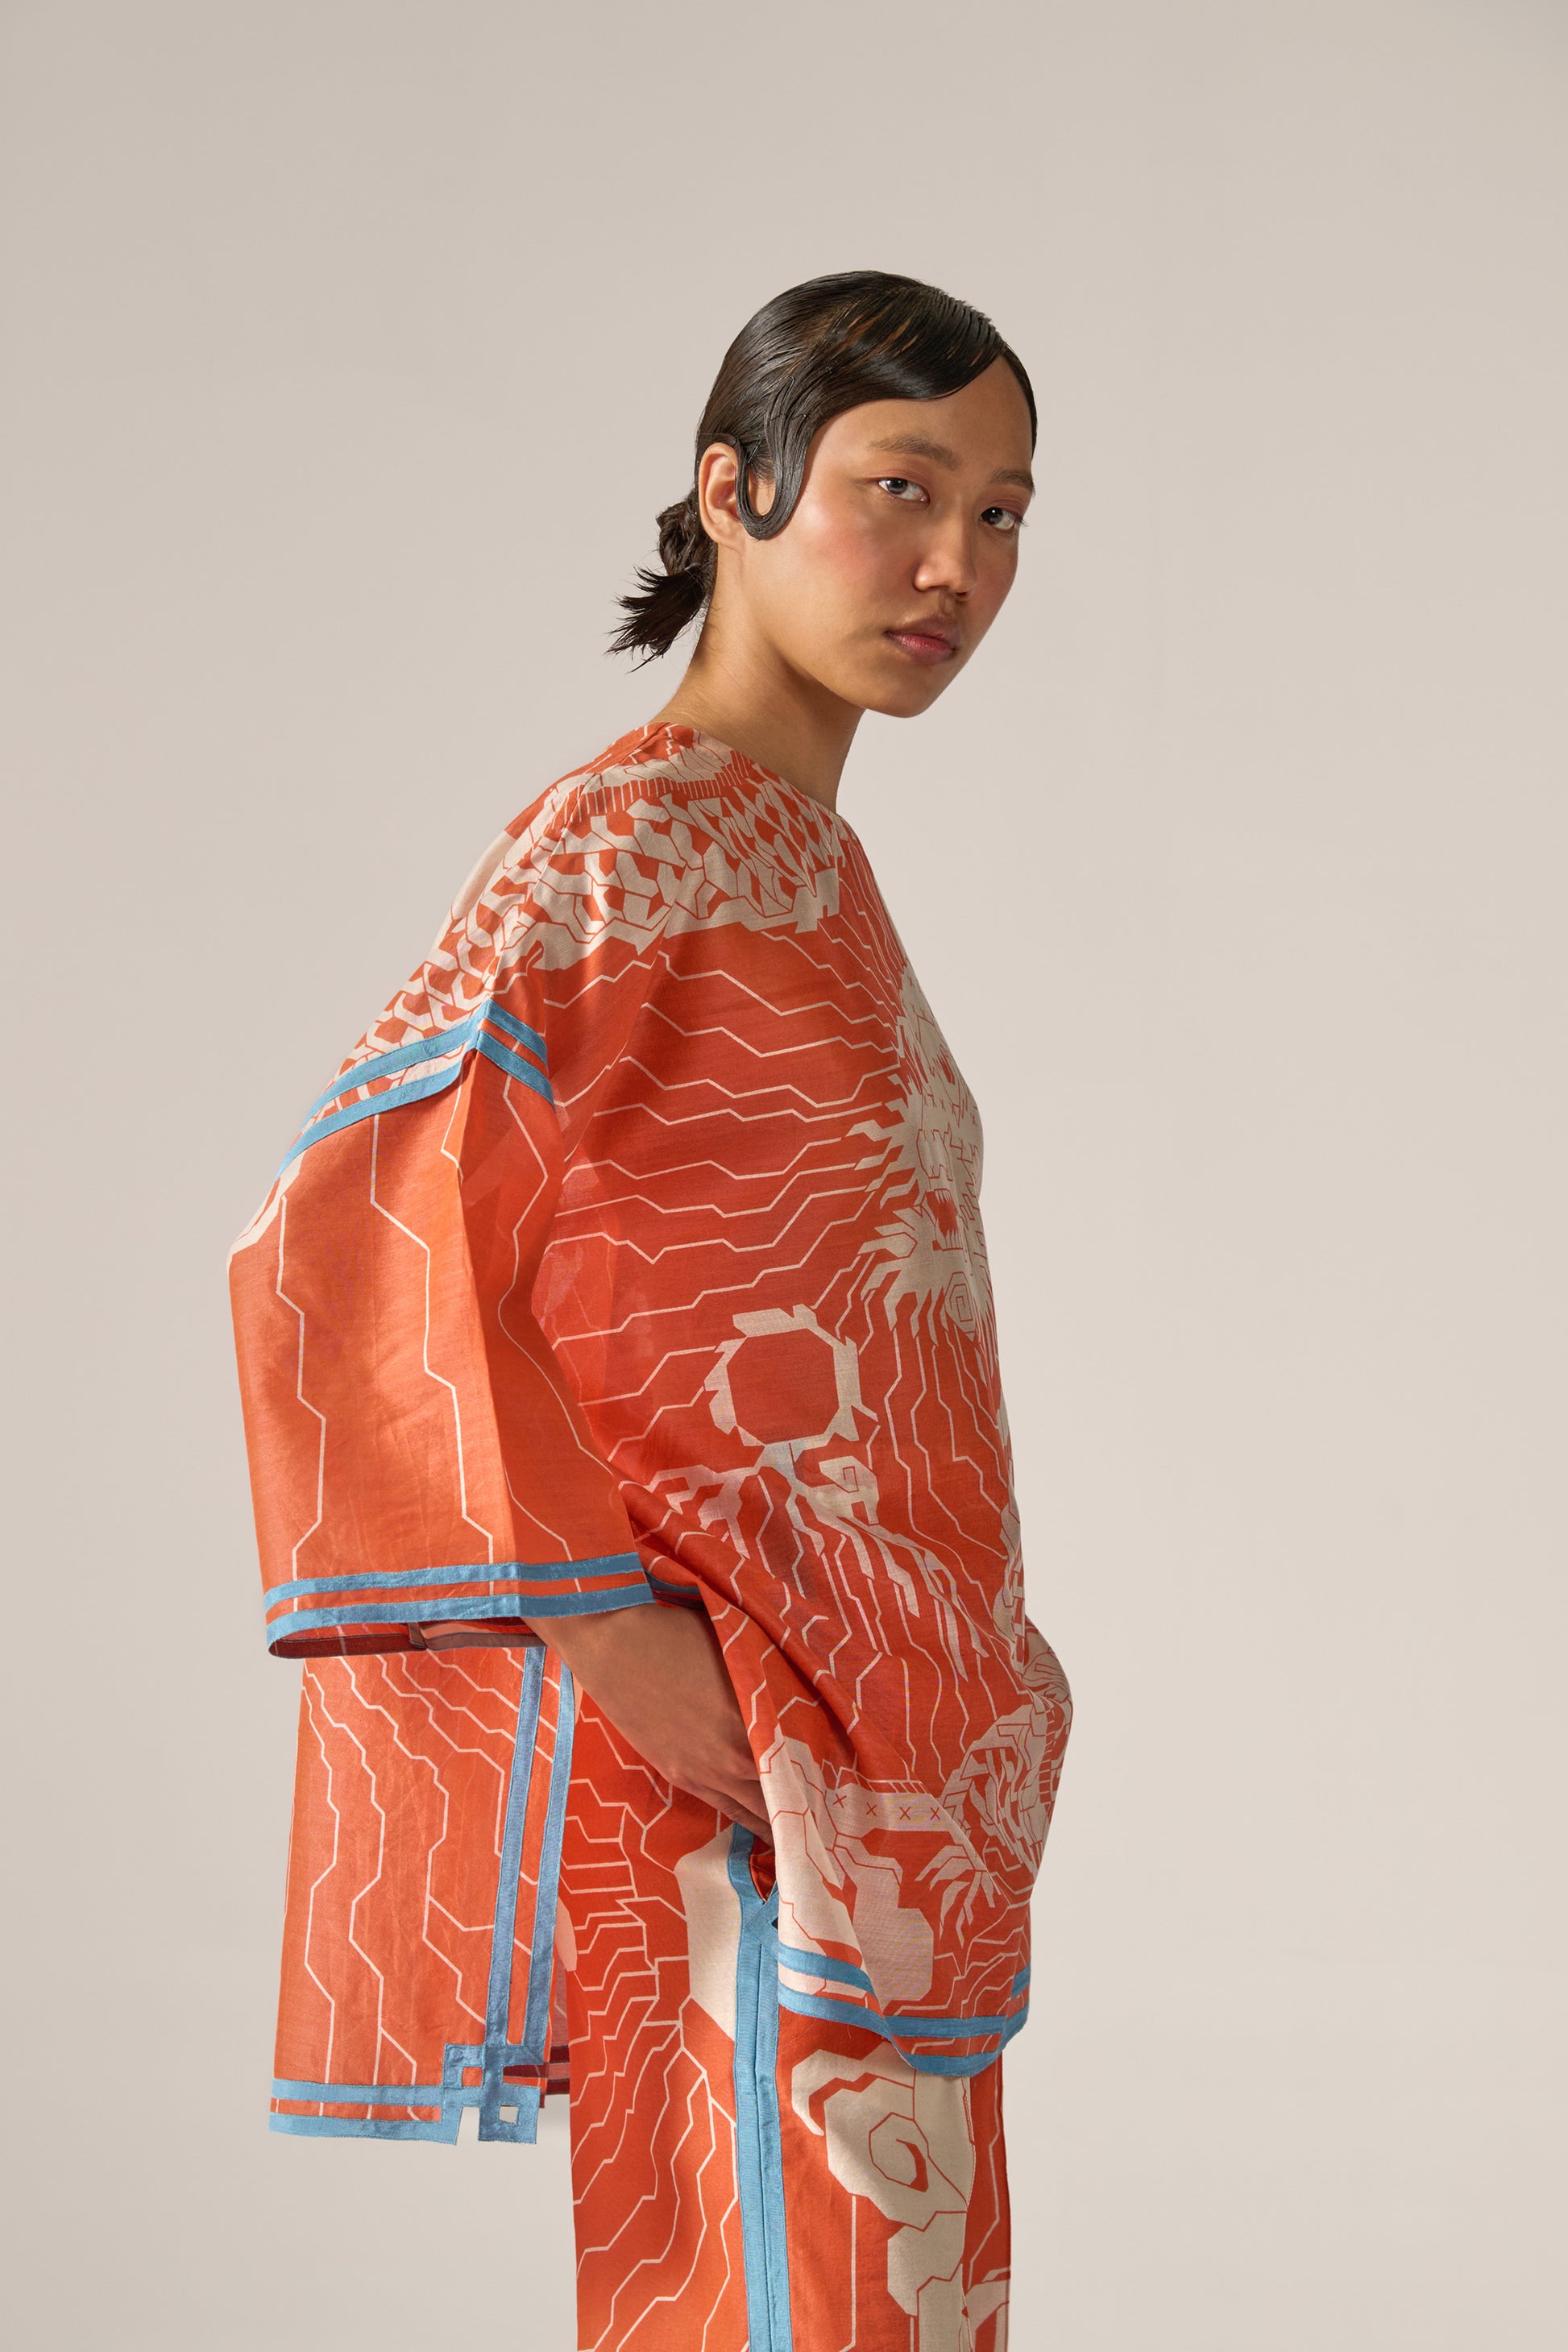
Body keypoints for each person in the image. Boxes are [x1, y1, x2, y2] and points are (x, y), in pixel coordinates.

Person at [230, 268, 1072, 2352]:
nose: (955, 565)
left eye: (1000, 513)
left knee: (889, 2302)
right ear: (731, 488)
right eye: (900, 489)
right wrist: (601, 1626)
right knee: (780, 2303)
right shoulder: (632, 838)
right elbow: (349, 1233)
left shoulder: (805, 865)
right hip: (735, 1738)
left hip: (878, 1748)